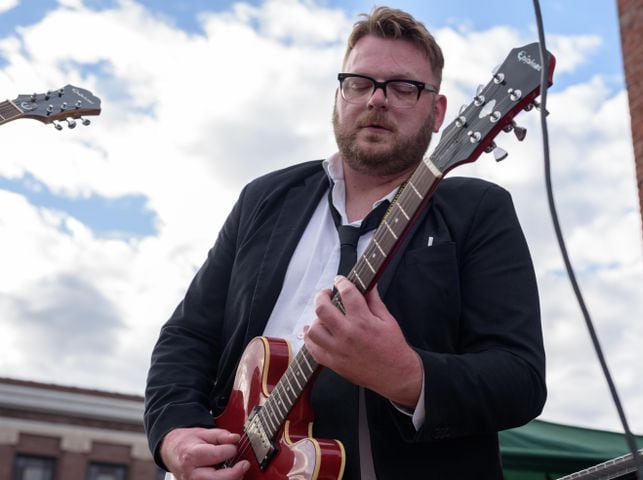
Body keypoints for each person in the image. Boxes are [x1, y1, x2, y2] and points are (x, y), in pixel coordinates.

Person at [144, 6, 546, 479]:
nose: (377, 100)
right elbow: (188, 336)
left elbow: (519, 378)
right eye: (360, 83)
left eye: (403, 87)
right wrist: (175, 435)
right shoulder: (265, 200)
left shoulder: (478, 210)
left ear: (438, 113)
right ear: (338, 96)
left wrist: (407, 376)